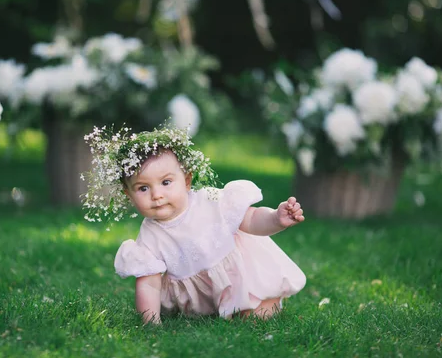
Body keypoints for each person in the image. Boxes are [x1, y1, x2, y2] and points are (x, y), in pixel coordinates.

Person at [83, 124, 306, 324]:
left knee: (255, 317)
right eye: (143, 188)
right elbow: (149, 284)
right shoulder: (149, 237)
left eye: (166, 182)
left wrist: (276, 219)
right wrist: (150, 322)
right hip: (202, 301)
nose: (157, 194)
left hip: (241, 280)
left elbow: (251, 219)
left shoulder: (211, 201)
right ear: (129, 194)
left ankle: (263, 304)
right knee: (222, 318)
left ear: (187, 181)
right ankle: (220, 310)